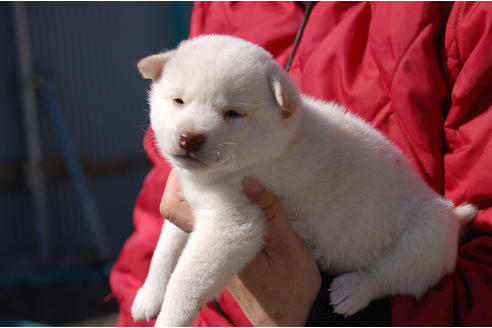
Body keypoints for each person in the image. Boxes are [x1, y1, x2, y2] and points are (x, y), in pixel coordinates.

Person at [110, 2, 492, 326]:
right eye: (177, 102)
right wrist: (150, 290)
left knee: (433, 231)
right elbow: (172, 208)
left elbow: (231, 230)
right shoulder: (224, 12)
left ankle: (376, 281)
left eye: (231, 113)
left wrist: (328, 313)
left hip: (399, 256)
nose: (191, 130)